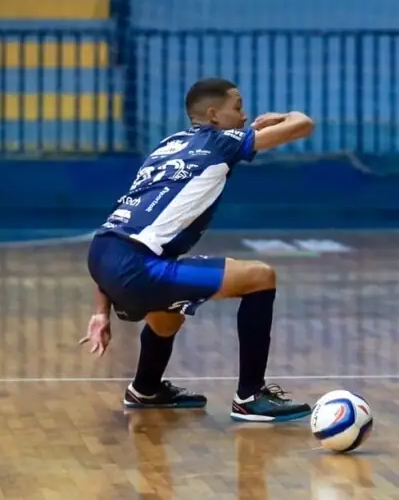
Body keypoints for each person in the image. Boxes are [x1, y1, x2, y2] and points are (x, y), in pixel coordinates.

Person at [79, 78, 316, 422]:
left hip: (102, 255)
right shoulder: (222, 142)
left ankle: (146, 389)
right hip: (135, 267)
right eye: (237, 107)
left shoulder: (167, 145)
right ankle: (250, 396)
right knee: (260, 277)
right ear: (212, 115)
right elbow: (304, 126)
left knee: (167, 312)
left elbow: (121, 230)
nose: (244, 115)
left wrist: (101, 311)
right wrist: (284, 116)